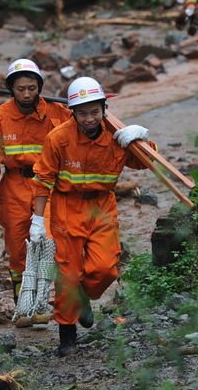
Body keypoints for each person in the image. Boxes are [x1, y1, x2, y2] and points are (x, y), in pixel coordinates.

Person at [31, 76, 155, 356]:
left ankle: (84, 297)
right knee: (68, 274)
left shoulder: (117, 136)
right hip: (66, 208)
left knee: (105, 269)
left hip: (101, 208)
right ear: (73, 112)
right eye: (83, 113)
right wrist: (37, 221)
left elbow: (147, 162)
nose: (89, 119)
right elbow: (42, 181)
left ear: (104, 110)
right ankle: (67, 337)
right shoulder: (59, 138)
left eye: (94, 112)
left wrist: (142, 137)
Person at [0, 58, 71, 325]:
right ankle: (23, 305)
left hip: (49, 185)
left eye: (32, 88)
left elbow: (86, 124)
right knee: (17, 248)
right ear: (11, 89)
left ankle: (43, 302)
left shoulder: (57, 112)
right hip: (14, 187)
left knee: (49, 241)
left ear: (39, 86)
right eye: (21, 89)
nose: (27, 94)